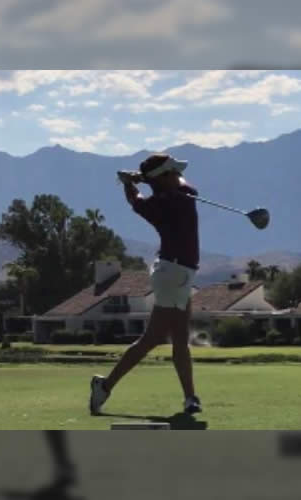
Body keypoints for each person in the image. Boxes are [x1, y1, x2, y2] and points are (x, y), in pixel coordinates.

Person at [90, 153, 202, 416]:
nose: (178, 174)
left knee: (170, 339)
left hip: (177, 273)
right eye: (172, 171)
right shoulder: (181, 197)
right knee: (160, 338)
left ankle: (189, 398)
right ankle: (105, 386)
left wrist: (135, 181)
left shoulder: (153, 203)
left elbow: (135, 198)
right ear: (163, 178)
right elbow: (183, 184)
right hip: (174, 273)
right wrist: (142, 178)